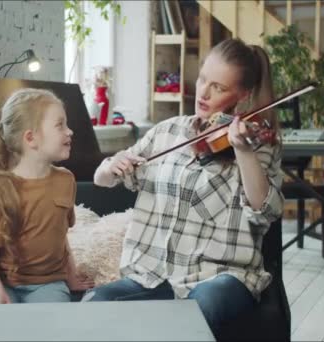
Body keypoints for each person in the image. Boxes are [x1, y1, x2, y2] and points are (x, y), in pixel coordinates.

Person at [86, 38, 284, 336]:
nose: (203, 92)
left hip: (218, 279)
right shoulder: (166, 132)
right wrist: (108, 167)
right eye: (203, 78)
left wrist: (242, 151)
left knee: (205, 304)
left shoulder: (257, 145)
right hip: (151, 277)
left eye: (218, 87)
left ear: (242, 96)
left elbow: (265, 211)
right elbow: (104, 179)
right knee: (96, 303)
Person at [0, 88, 94, 305]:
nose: (70, 132)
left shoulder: (65, 181)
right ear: (31, 138)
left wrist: (71, 276)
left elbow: (60, 236)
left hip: (48, 284)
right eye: (60, 125)